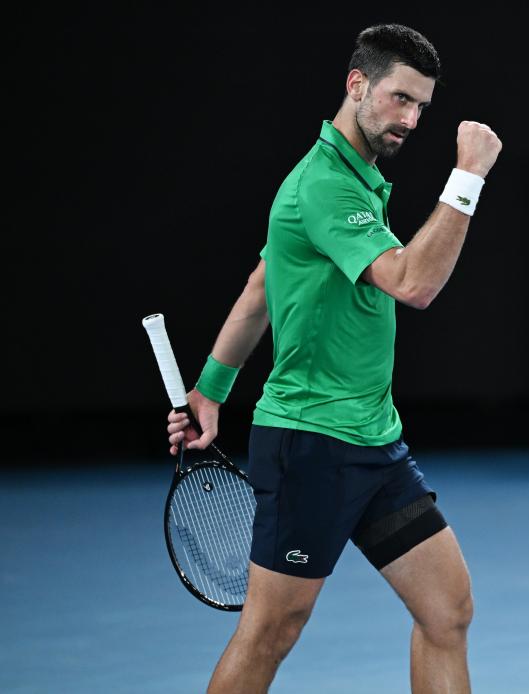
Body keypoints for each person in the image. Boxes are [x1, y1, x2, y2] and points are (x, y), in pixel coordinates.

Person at [166, 23, 501, 694]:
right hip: (311, 446)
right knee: (271, 632)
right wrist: (467, 176)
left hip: (375, 444)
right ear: (357, 85)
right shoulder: (324, 186)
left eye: (421, 107)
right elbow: (413, 283)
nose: (410, 120)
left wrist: (210, 389)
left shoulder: (357, 178)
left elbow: (262, 286)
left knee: (448, 611)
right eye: (400, 98)